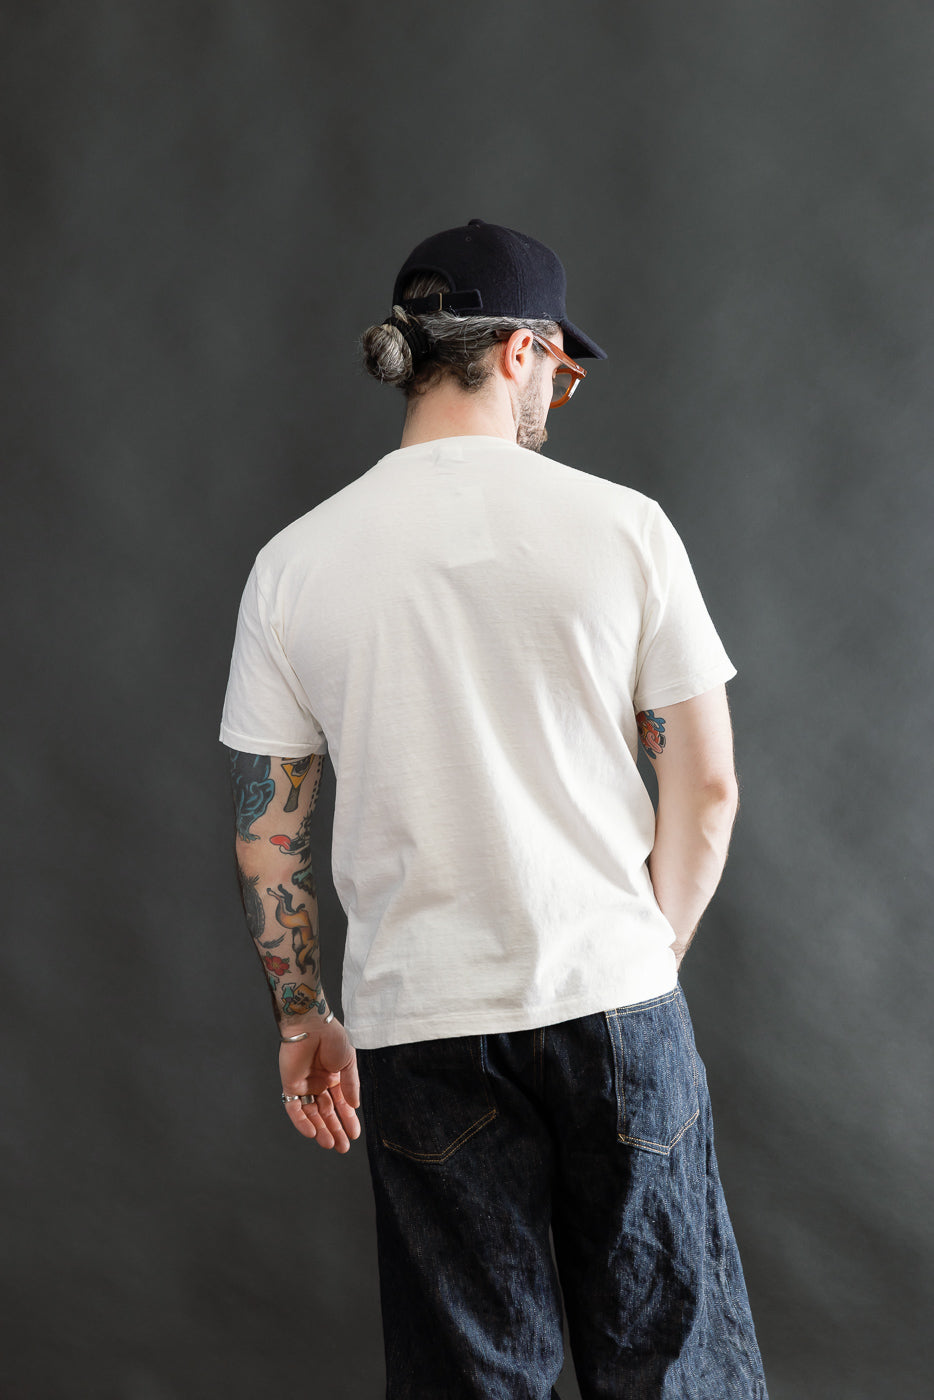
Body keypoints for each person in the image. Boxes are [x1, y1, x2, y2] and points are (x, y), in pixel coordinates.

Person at [220, 218, 770, 1399]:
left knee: (471, 1376)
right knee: (672, 1368)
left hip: (418, 1018)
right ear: (521, 348)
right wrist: (647, 949)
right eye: (559, 373)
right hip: (611, 991)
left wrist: (302, 1016)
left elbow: (269, 831)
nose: (554, 397)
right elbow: (707, 783)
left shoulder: (294, 564)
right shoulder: (622, 527)